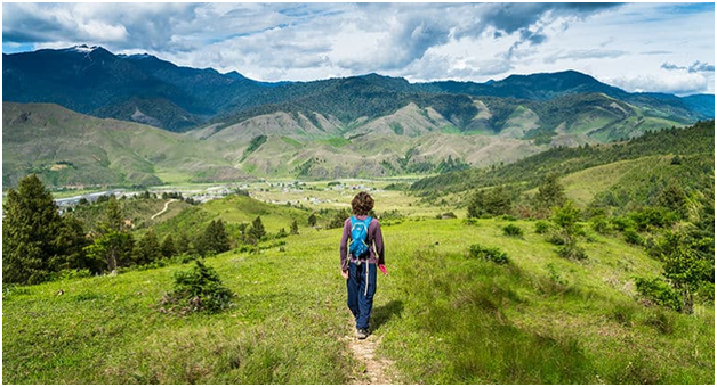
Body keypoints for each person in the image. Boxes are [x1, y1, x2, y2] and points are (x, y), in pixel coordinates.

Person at [340, 191, 386, 339]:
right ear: (370, 205)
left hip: (353, 262)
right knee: (366, 294)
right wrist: (381, 262)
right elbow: (380, 246)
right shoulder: (374, 224)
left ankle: (359, 318)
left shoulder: (349, 222)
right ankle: (362, 326)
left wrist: (343, 265)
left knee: (353, 296)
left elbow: (342, 245)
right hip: (369, 263)